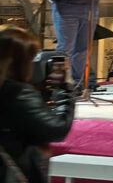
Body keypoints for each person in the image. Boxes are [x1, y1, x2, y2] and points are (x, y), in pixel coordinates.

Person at [0, 26, 75, 183]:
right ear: (21, 62)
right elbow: (57, 128)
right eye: (33, 59)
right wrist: (65, 91)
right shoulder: (19, 93)